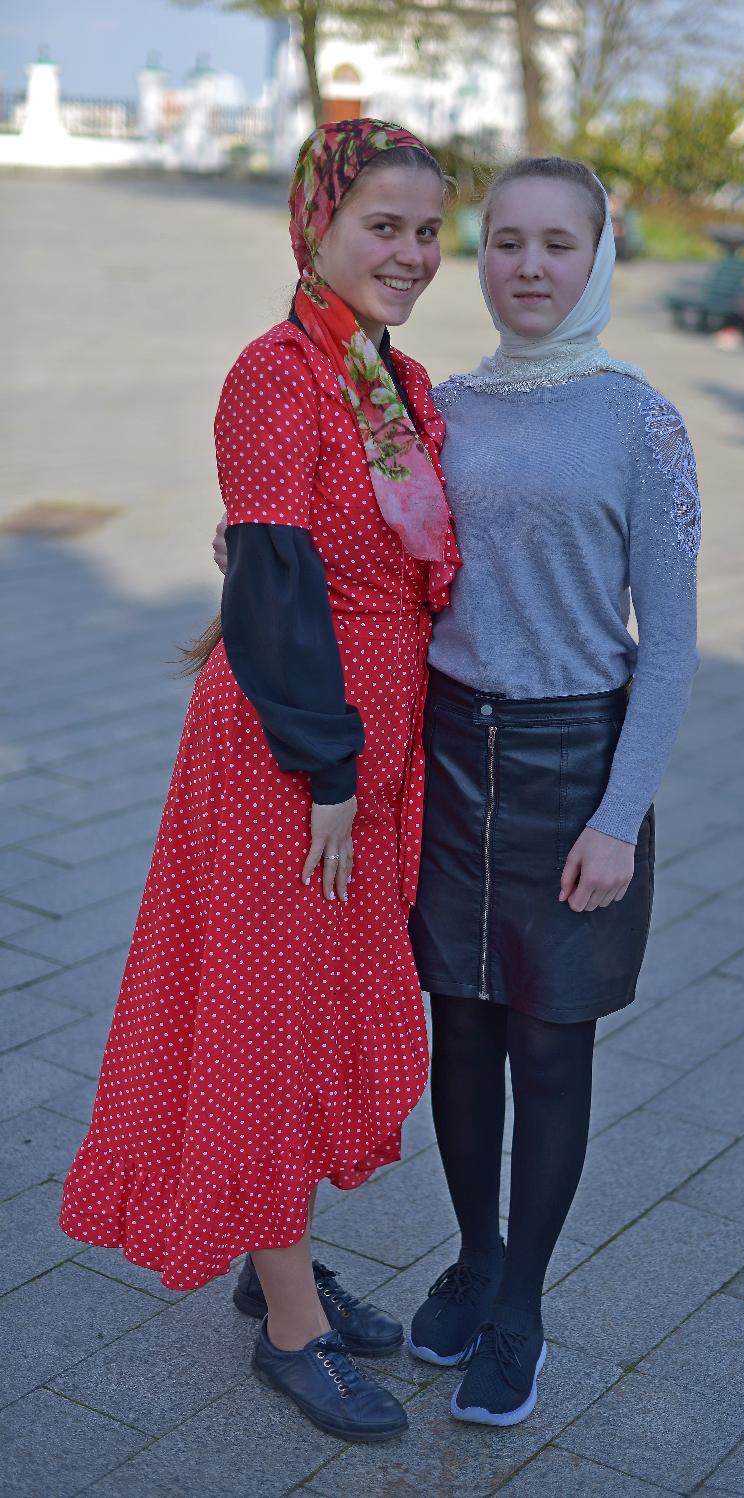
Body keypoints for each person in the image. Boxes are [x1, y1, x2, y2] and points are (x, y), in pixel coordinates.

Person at [218, 156, 701, 1427]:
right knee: (463, 1035)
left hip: (571, 760)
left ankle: (521, 1303)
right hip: (442, 749)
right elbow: (344, 528)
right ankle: (472, 1258)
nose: (525, 266)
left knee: (550, 1043)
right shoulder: (435, 399)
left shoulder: (639, 419)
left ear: (598, 258)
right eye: (502, 242)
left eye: (558, 244)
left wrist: (618, 815)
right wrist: (252, 552)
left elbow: (676, 638)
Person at [59, 119, 461, 1445]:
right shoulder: (279, 375)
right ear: (316, 227)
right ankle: (288, 1325)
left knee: (317, 1006)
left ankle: (269, 1254)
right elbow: (279, 584)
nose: (408, 250)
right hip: (297, 757)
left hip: (364, 748)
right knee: (267, 1018)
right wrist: (331, 769)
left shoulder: (385, 376)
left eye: (423, 228)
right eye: (381, 226)